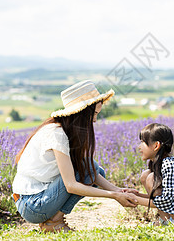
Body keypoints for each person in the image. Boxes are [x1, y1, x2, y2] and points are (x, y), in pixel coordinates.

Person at [12, 80, 137, 232]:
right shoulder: (57, 134)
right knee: (87, 170)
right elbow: (71, 185)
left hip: (40, 198)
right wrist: (113, 196)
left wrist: (119, 191)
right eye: (95, 114)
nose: (95, 119)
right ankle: (54, 222)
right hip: (32, 205)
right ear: (82, 113)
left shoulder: (65, 130)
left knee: (95, 170)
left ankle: (53, 220)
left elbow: (88, 170)